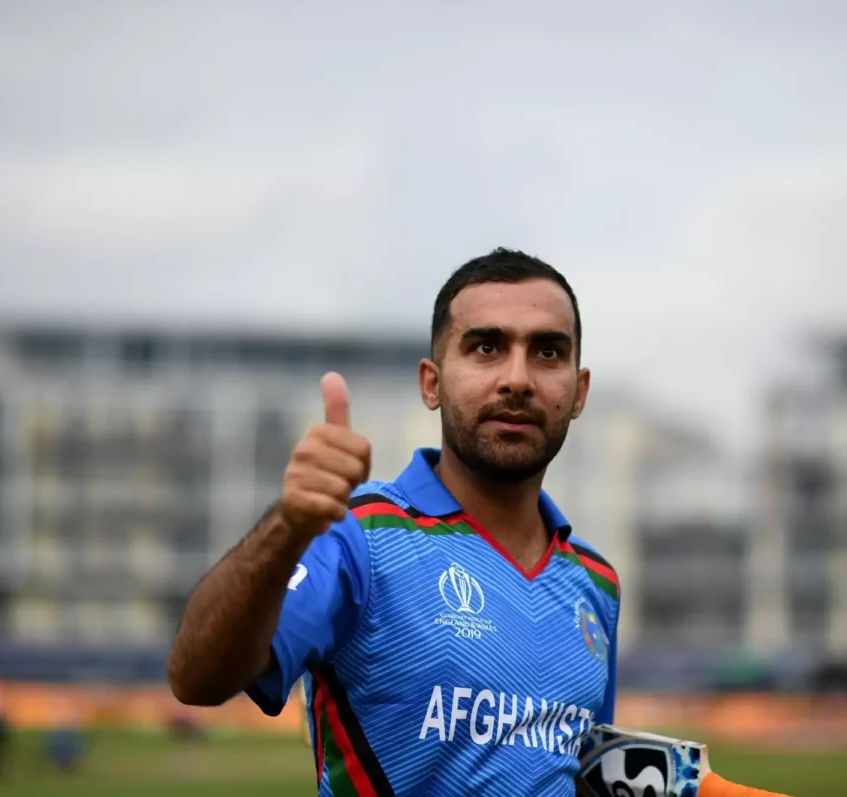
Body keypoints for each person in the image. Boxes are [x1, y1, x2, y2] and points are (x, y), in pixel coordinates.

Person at [169, 249, 618, 794]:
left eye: (548, 352)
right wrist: (287, 526)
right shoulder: (359, 533)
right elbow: (196, 677)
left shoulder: (596, 583)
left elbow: (584, 774)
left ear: (579, 392)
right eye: (486, 347)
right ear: (431, 383)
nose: (518, 378)